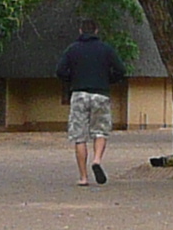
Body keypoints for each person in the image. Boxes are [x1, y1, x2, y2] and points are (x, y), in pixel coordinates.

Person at [55, 16, 130, 186]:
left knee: (79, 136)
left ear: (80, 31)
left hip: (79, 93)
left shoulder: (72, 49)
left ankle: (83, 177)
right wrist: (107, 79)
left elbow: (59, 70)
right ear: (96, 31)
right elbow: (121, 69)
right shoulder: (106, 49)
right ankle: (96, 160)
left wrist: (72, 79)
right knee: (100, 131)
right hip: (100, 93)